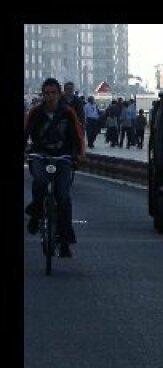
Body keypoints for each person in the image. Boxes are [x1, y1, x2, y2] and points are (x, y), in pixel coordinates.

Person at [24, 76, 85, 257]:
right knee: (40, 182)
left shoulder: (68, 113)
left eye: (53, 93)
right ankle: (35, 214)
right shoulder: (35, 112)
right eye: (47, 93)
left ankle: (64, 240)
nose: (50, 97)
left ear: (59, 94)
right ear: (42, 95)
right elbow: (25, 132)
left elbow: (78, 136)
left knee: (63, 196)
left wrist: (78, 155)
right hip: (40, 156)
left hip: (63, 157)